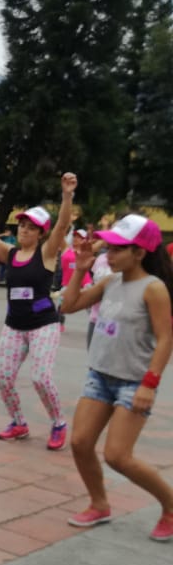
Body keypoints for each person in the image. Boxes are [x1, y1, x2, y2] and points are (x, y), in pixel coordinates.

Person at [60, 215, 173, 541]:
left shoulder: (154, 289)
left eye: (119, 248)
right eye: (109, 246)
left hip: (133, 383)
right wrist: (80, 268)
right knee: (80, 443)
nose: (110, 253)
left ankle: (169, 505)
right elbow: (69, 306)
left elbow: (166, 339)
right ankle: (99, 504)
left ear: (140, 253)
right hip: (99, 377)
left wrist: (149, 384)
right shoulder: (110, 283)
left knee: (118, 457)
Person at [0, 176, 75, 450]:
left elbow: (62, 225)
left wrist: (66, 196)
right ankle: (18, 422)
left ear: (41, 234)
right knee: (3, 377)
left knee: (41, 377)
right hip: (14, 325)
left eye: (31, 227)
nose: (25, 230)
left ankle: (59, 423)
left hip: (43, 325)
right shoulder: (10, 253)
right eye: (22, 225)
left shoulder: (47, 253)